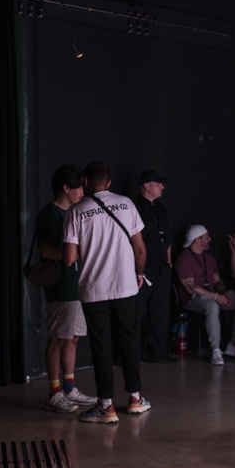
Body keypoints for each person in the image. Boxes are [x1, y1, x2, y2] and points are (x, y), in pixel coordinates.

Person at [63, 161, 150, 424]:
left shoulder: (76, 211)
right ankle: (135, 399)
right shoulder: (127, 204)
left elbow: (69, 258)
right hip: (125, 286)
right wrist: (139, 275)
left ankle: (106, 406)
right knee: (128, 342)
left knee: (101, 346)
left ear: (86, 183)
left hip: (93, 289)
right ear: (109, 183)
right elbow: (141, 249)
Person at [35, 164, 97, 414]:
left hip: (80, 284)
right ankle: (54, 393)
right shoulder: (50, 214)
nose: (83, 191)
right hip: (62, 286)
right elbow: (45, 250)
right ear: (65, 188)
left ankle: (70, 388)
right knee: (58, 338)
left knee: (73, 338)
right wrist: (75, 253)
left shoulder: (76, 212)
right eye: (79, 187)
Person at [176, 225, 235, 366]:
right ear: (197, 240)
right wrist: (216, 297)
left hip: (214, 295)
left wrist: (223, 293)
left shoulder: (209, 257)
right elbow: (191, 288)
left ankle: (234, 344)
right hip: (193, 299)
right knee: (212, 306)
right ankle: (216, 350)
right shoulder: (184, 258)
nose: (210, 239)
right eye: (206, 237)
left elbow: (217, 280)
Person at [133, 170, 173, 362]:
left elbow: (166, 237)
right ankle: (133, 354)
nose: (162, 187)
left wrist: (168, 260)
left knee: (160, 311)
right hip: (141, 268)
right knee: (136, 311)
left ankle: (157, 352)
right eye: (159, 184)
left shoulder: (161, 209)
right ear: (147, 185)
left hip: (161, 268)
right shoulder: (133, 207)